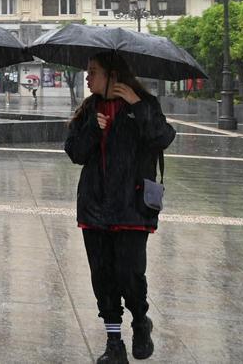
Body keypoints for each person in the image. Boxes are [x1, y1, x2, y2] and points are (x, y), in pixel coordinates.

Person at [65, 52, 175, 363]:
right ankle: (115, 342)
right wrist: (93, 130)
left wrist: (138, 107)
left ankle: (141, 321)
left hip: (132, 208)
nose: (88, 77)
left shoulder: (145, 105)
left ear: (113, 75)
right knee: (102, 278)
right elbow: (74, 152)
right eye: (88, 71)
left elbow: (164, 138)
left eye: (93, 71)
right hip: (95, 208)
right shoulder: (89, 109)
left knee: (130, 274)